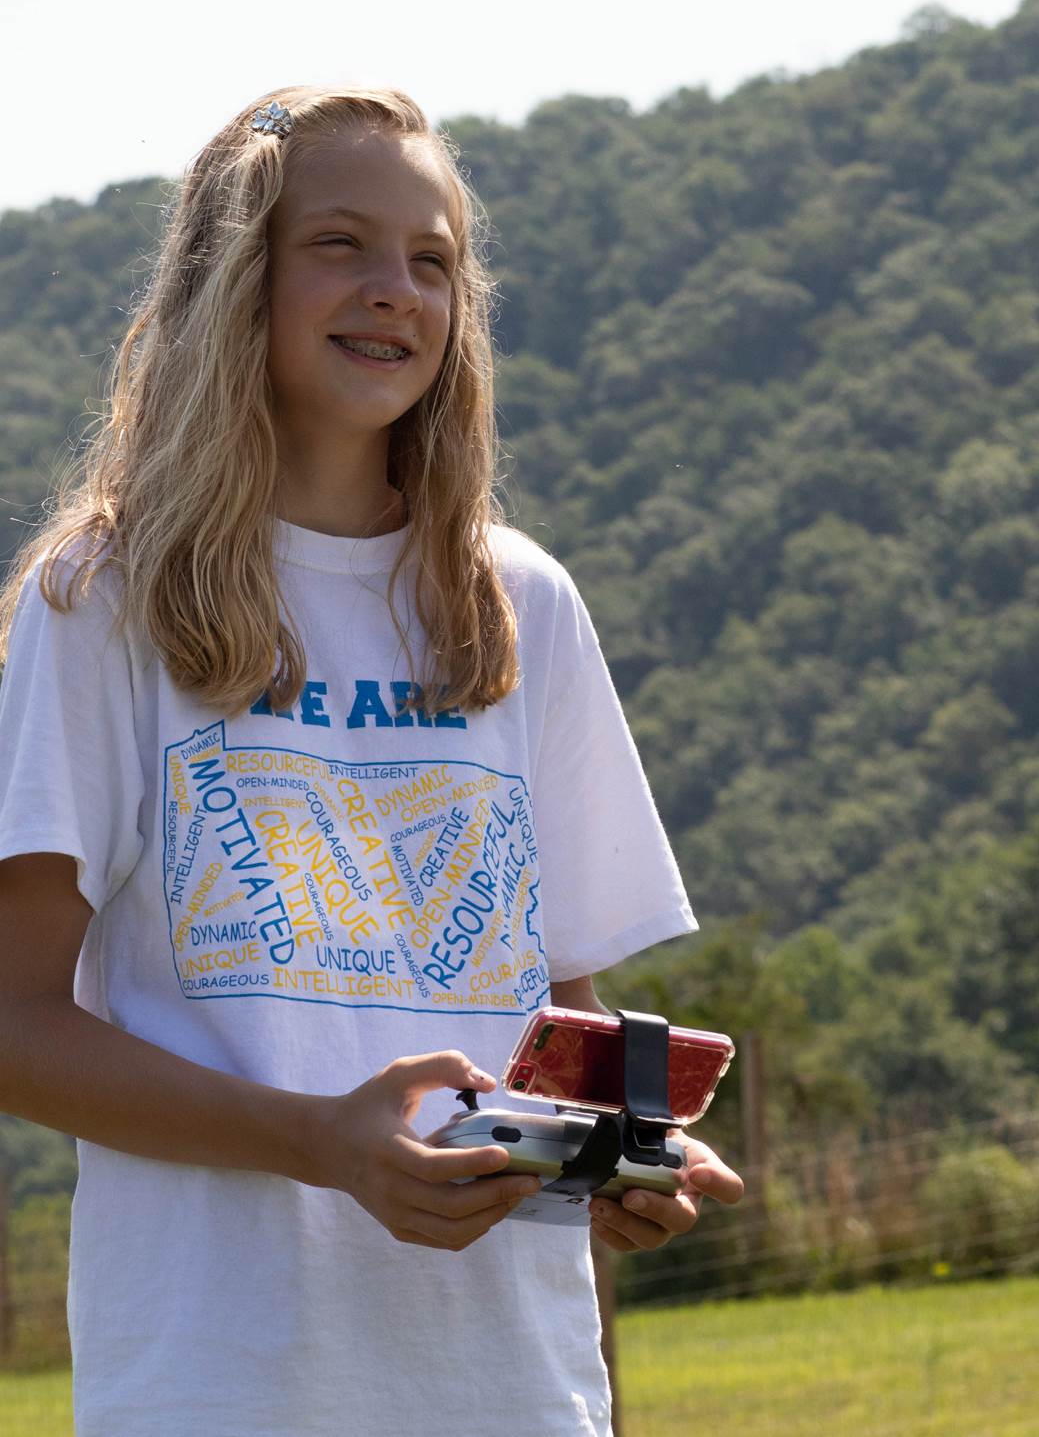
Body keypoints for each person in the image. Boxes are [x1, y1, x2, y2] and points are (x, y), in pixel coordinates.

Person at [0, 85, 742, 1436]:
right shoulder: (99, 599)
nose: (393, 289)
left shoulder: (518, 603)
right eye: (339, 243)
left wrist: (617, 1159)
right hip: (217, 1386)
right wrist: (315, 1141)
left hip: (515, 1386)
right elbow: (13, 1023)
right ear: (236, 279)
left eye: (433, 260)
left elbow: (551, 1017)